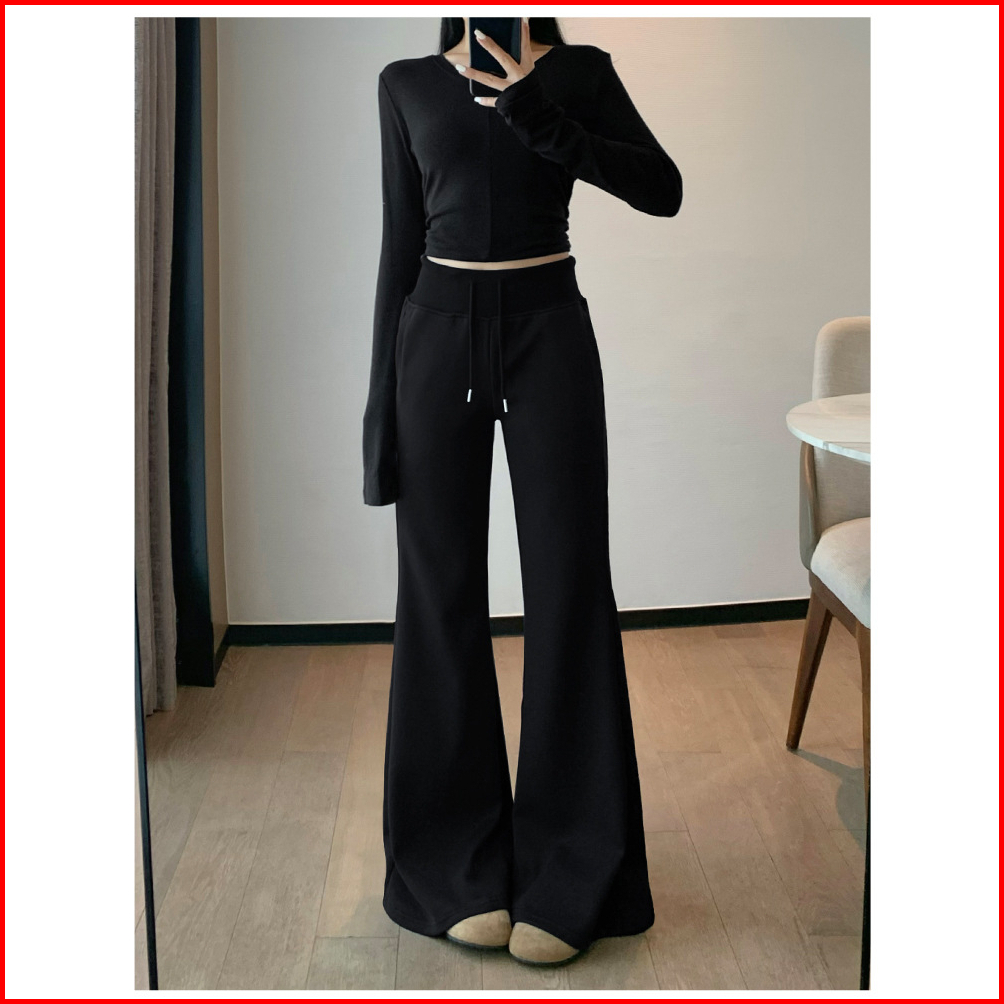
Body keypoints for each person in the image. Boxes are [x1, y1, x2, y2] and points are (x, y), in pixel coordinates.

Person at [362, 16, 682, 966]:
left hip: (549, 330)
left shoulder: (580, 74)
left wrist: (539, 114)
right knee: (440, 598)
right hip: (434, 335)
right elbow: (399, 244)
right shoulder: (406, 82)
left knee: (570, 589)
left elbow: (662, 190)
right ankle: (448, 866)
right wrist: (380, 418)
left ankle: (572, 870)